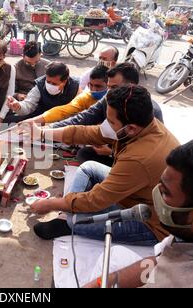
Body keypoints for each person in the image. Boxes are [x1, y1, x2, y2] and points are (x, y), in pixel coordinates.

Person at [26, 85, 180, 246]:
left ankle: (69, 221)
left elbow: (96, 200)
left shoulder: (140, 157)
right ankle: (68, 215)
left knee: (76, 220)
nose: (106, 125)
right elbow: (89, 133)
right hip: (134, 193)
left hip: (150, 221)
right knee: (89, 167)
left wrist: (51, 203)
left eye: (111, 121)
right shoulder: (144, 125)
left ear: (131, 129)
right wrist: (42, 133)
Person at [83, 139, 193, 288]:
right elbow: (158, 263)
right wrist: (107, 281)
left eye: (165, 192)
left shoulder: (189, 281)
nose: (155, 194)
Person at [50, 63, 164, 166]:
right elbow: (85, 118)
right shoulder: (109, 98)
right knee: (84, 153)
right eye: (108, 87)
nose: (110, 92)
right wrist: (48, 129)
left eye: (114, 87)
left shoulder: (150, 110)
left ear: (131, 86)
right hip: (115, 150)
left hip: (134, 160)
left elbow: (146, 152)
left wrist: (112, 152)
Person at [25, 65, 108, 125]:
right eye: (91, 85)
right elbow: (63, 111)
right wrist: (33, 121)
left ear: (109, 85)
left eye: (98, 86)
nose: (93, 89)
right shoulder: (86, 97)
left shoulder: (115, 101)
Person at [6, 62, 80, 124]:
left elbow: (78, 112)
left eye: (54, 84)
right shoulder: (40, 85)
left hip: (63, 122)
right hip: (40, 117)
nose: (49, 85)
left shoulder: (76, 87)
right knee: (7, 122)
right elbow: (29, 104)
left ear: (64, 81)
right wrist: (18, 106)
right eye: (48, 82)